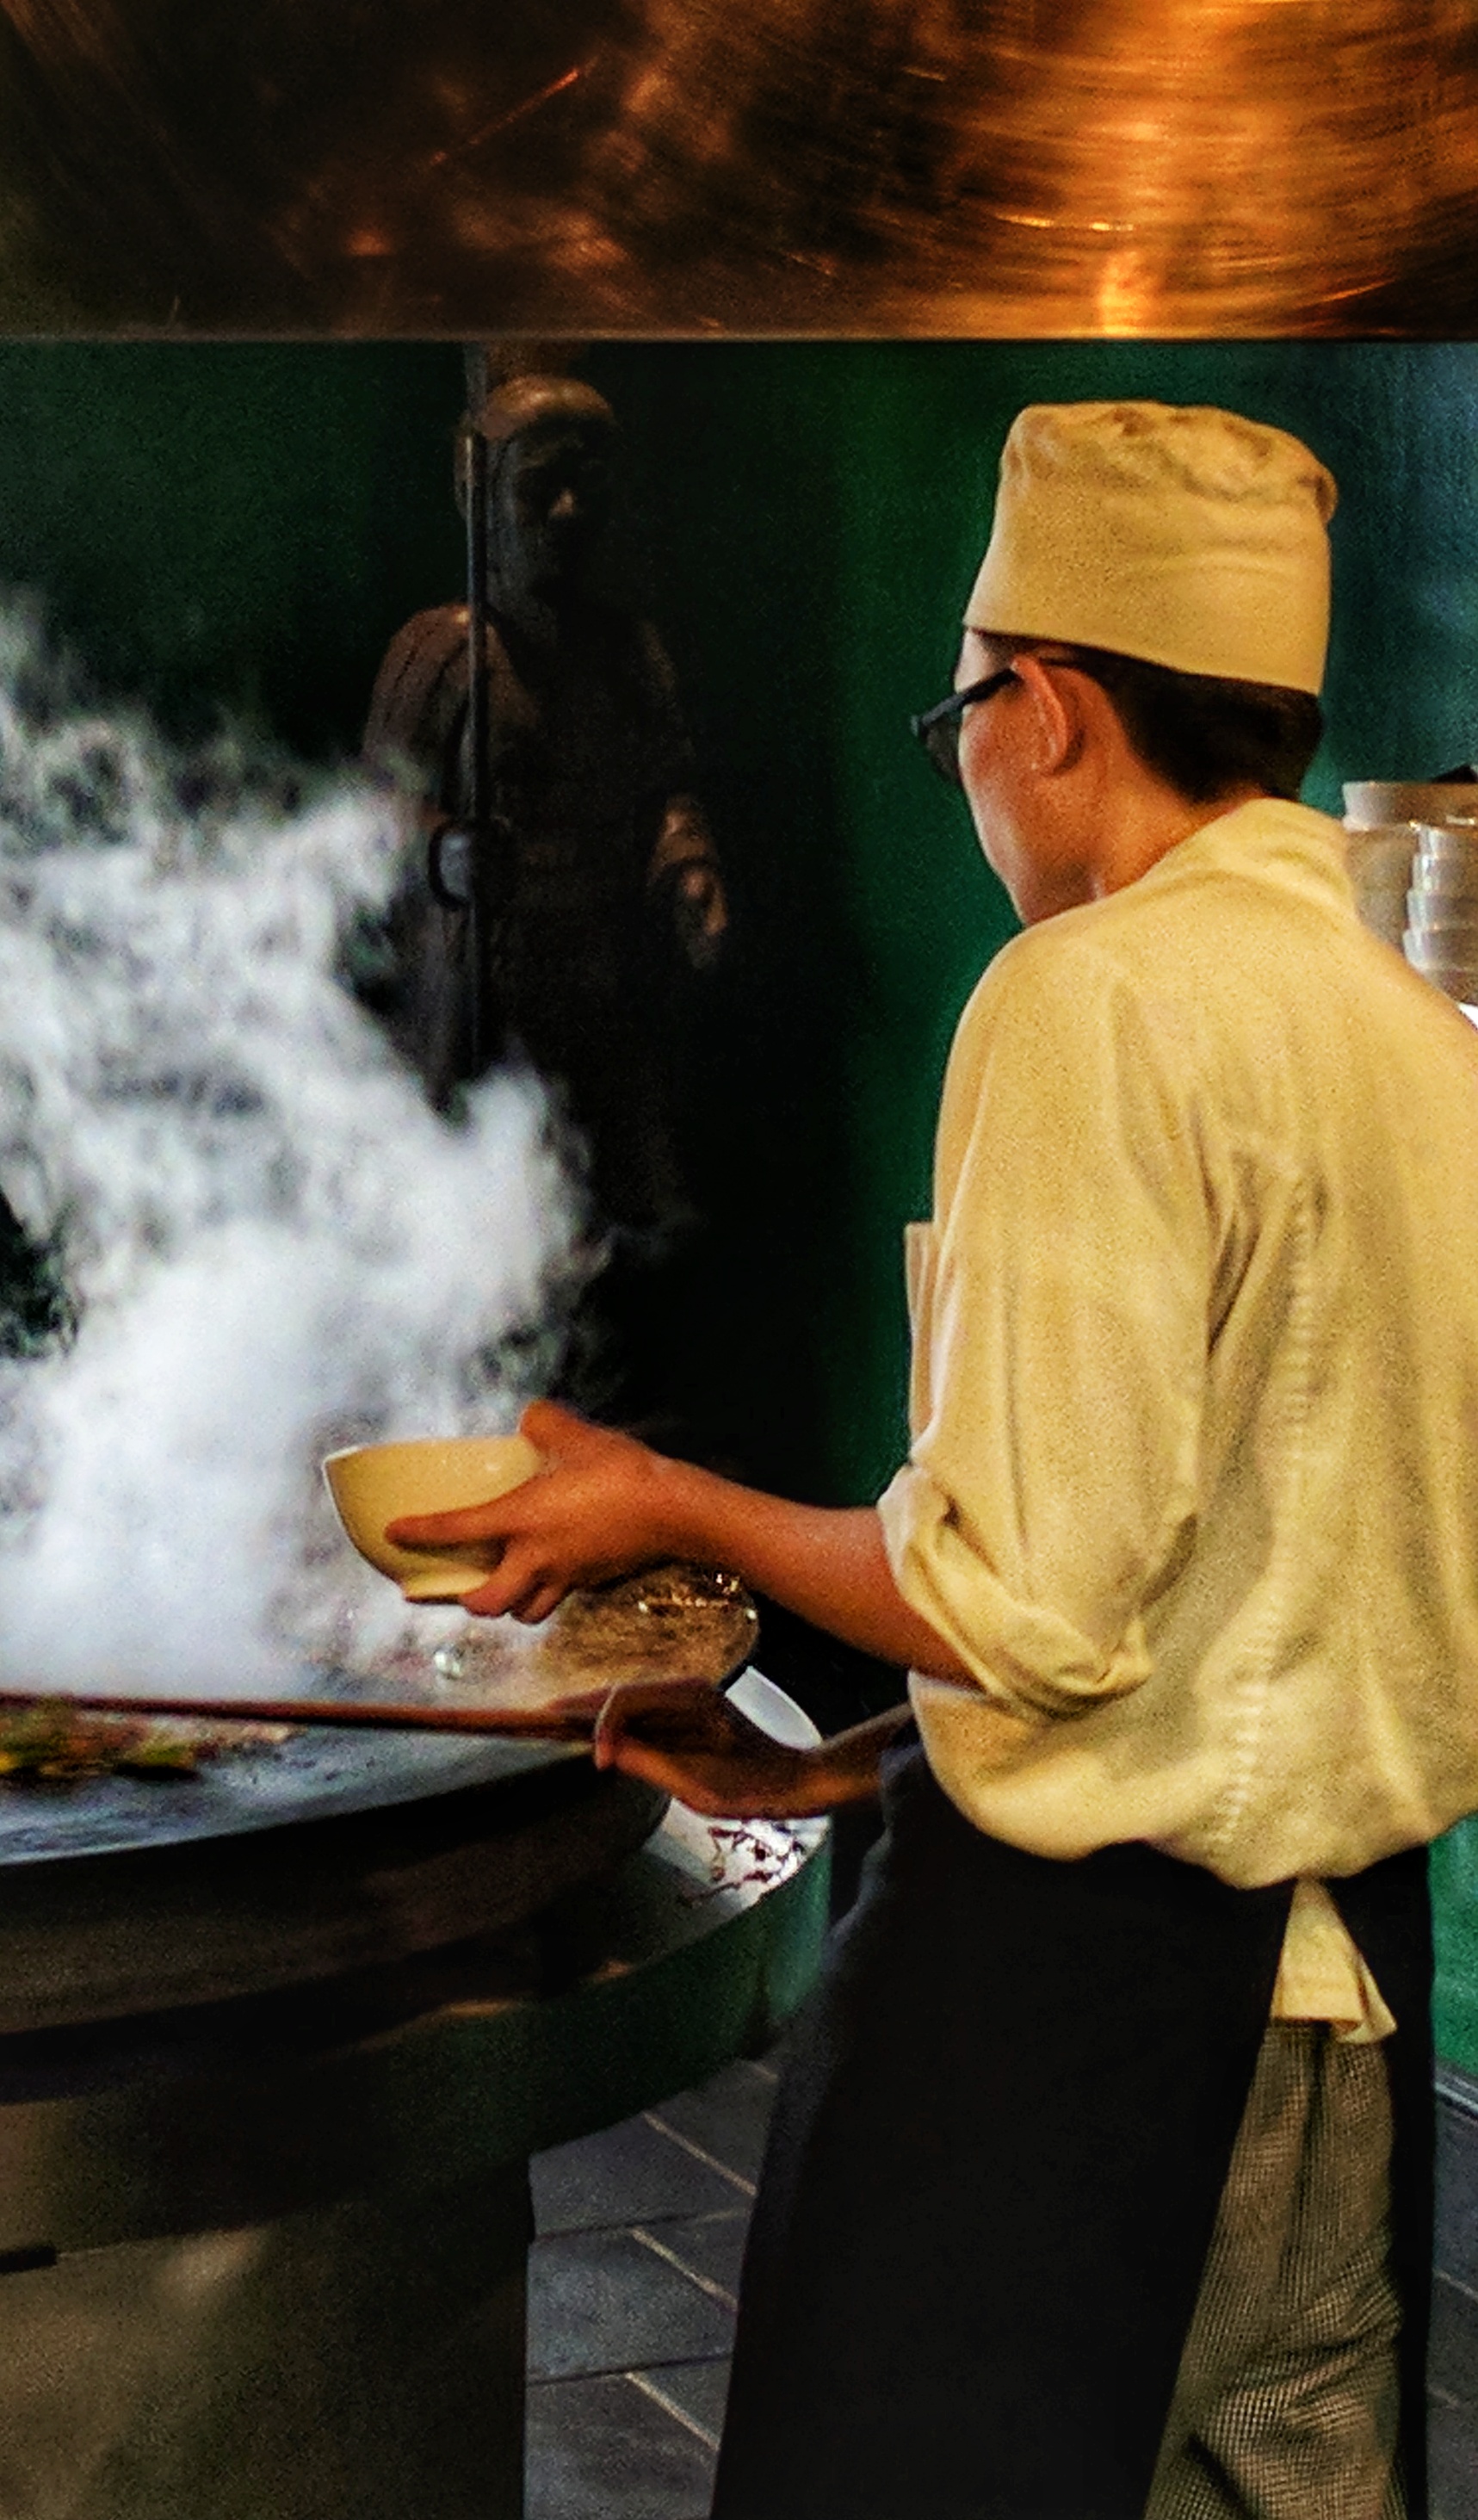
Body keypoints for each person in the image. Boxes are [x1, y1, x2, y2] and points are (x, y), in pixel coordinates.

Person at [390, 401, 1478, 2519]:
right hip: (1335, 2023)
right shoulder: (1415, 1035)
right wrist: (862, 1761)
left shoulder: (1086, 1000)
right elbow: (1266, 1576)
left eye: (958, 709)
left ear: (1049, 705)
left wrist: (656, 1495)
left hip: (1076, 2029)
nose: (961, 757)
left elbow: (1038, 1605)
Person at [362, 361, 727, 1424]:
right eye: (539, 491)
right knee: (483, 1219)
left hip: (601, 982)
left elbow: (664, 787)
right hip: (487, 997)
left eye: (586, 489)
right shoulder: (445, 654)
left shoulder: (626, 654)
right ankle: (476, 1413)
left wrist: (684, 865)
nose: (567, 515)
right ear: (481, 497)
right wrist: (442, 856)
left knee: (623, 1214)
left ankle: (603, 1419)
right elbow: (372, 821)